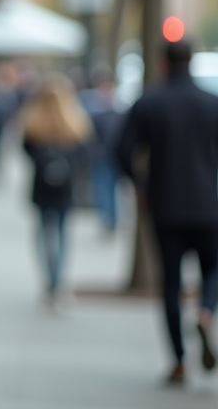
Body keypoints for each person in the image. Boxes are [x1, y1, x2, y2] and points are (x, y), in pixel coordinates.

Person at [118, 40, 218, 385]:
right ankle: (206, 312)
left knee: (171, 283)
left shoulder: (150, 103)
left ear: (163, 63)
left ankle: (178, 361)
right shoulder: (211, 103)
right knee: (213, 268)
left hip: (166, 204)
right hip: (209, 205)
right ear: (190, 62)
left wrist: (140, 185)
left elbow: (121, 150)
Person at [20, 74, 91, 309]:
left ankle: (49, 280)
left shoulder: (33, 123)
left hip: (41, 188)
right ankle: (58, 280)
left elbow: (26, 152)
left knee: (43, 232)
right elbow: (85, 155)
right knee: (61, 233)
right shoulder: (75, 123)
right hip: (65, 188)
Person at [78, 63, 125, 234]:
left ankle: (110, 219)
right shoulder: (112, 107)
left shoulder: (98, 108)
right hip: (105, 156)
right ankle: (110, 219)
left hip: (107, 156)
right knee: (107, 189)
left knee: (107, 189)